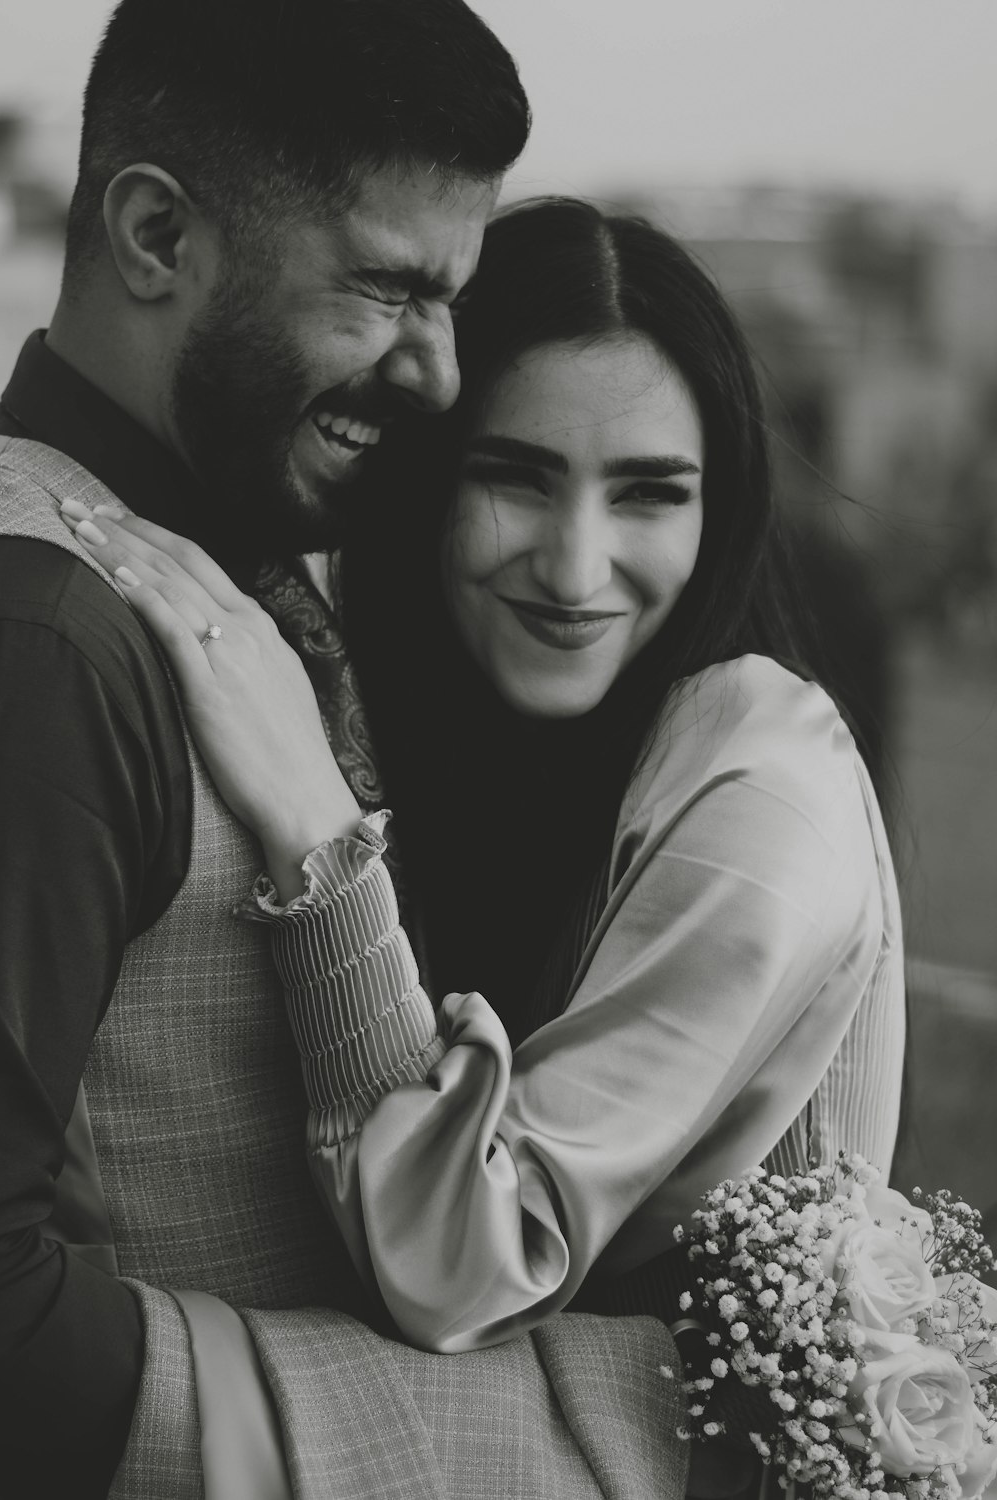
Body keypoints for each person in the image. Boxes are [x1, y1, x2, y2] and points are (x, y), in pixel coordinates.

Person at [65, 198, 906, 1477]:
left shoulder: (761, 775)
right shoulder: (471, 730)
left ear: (716, 512)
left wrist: (313, 822)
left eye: (648, 495)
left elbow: (466, 1259)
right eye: (515, 476)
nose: (576, 569)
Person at [0, 10, 692, 1500]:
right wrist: (501, 1437)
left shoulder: (236, 559)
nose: (441, 376)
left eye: (455, 299)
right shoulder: (49, 642)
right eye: (386, 290)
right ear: (155, 237)